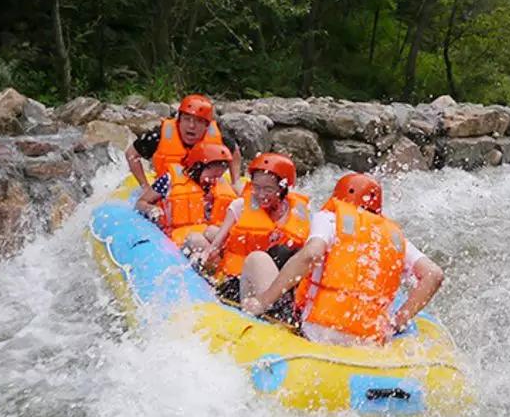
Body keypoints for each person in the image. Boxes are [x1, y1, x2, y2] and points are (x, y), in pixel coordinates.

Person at [242, 173, 445, 345]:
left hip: (317, 332)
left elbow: (311, 254)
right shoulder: (395, 237)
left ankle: (245, 325)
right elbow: (434, 275)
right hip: (368, 341)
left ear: (337, 197)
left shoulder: (330, 218)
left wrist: (264, 301)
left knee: (257, 259)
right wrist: (397, 322)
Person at [195, 153, 311, 324]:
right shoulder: (240, 206)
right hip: (239, 281)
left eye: (268, 189)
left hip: (278, 286)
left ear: (283, 188)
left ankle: (283, 314)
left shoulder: (299, 213)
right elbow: (217, 243)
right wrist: (207, 256)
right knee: (205, 236)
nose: (260, 194)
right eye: (256, 187)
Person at [125, 94, 243, 191]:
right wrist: (145, 186)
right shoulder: (159, 136)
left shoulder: (218, 138)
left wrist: (235, 181)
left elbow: (234, 151)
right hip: (169, 190)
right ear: (179, 120)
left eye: (198, 121)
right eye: (187, 119)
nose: (191, 126)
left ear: (206, 125)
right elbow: (131, 154)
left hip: (205, 190)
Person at [135, 141, 237, 251]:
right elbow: (141, 203)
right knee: (197, 240)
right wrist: (151, 209)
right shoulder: (169, 181)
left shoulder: (221, 187)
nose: (213, 181)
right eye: (212, 176)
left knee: (213, 231)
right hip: (177, 239)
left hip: (207, 237)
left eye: (219, 176)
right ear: (197, 168)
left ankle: (219, 263)